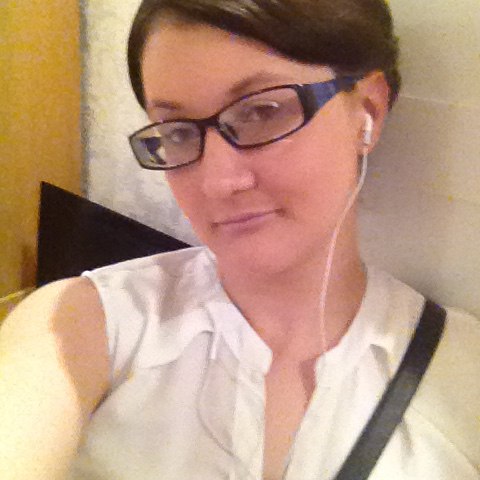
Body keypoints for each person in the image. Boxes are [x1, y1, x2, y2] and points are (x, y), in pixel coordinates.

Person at [0, 1, 478, 479]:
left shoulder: (463, 372)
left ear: (367, 110)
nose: (218, 182)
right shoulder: (82, 324)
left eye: (263, 111)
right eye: (178, 132)